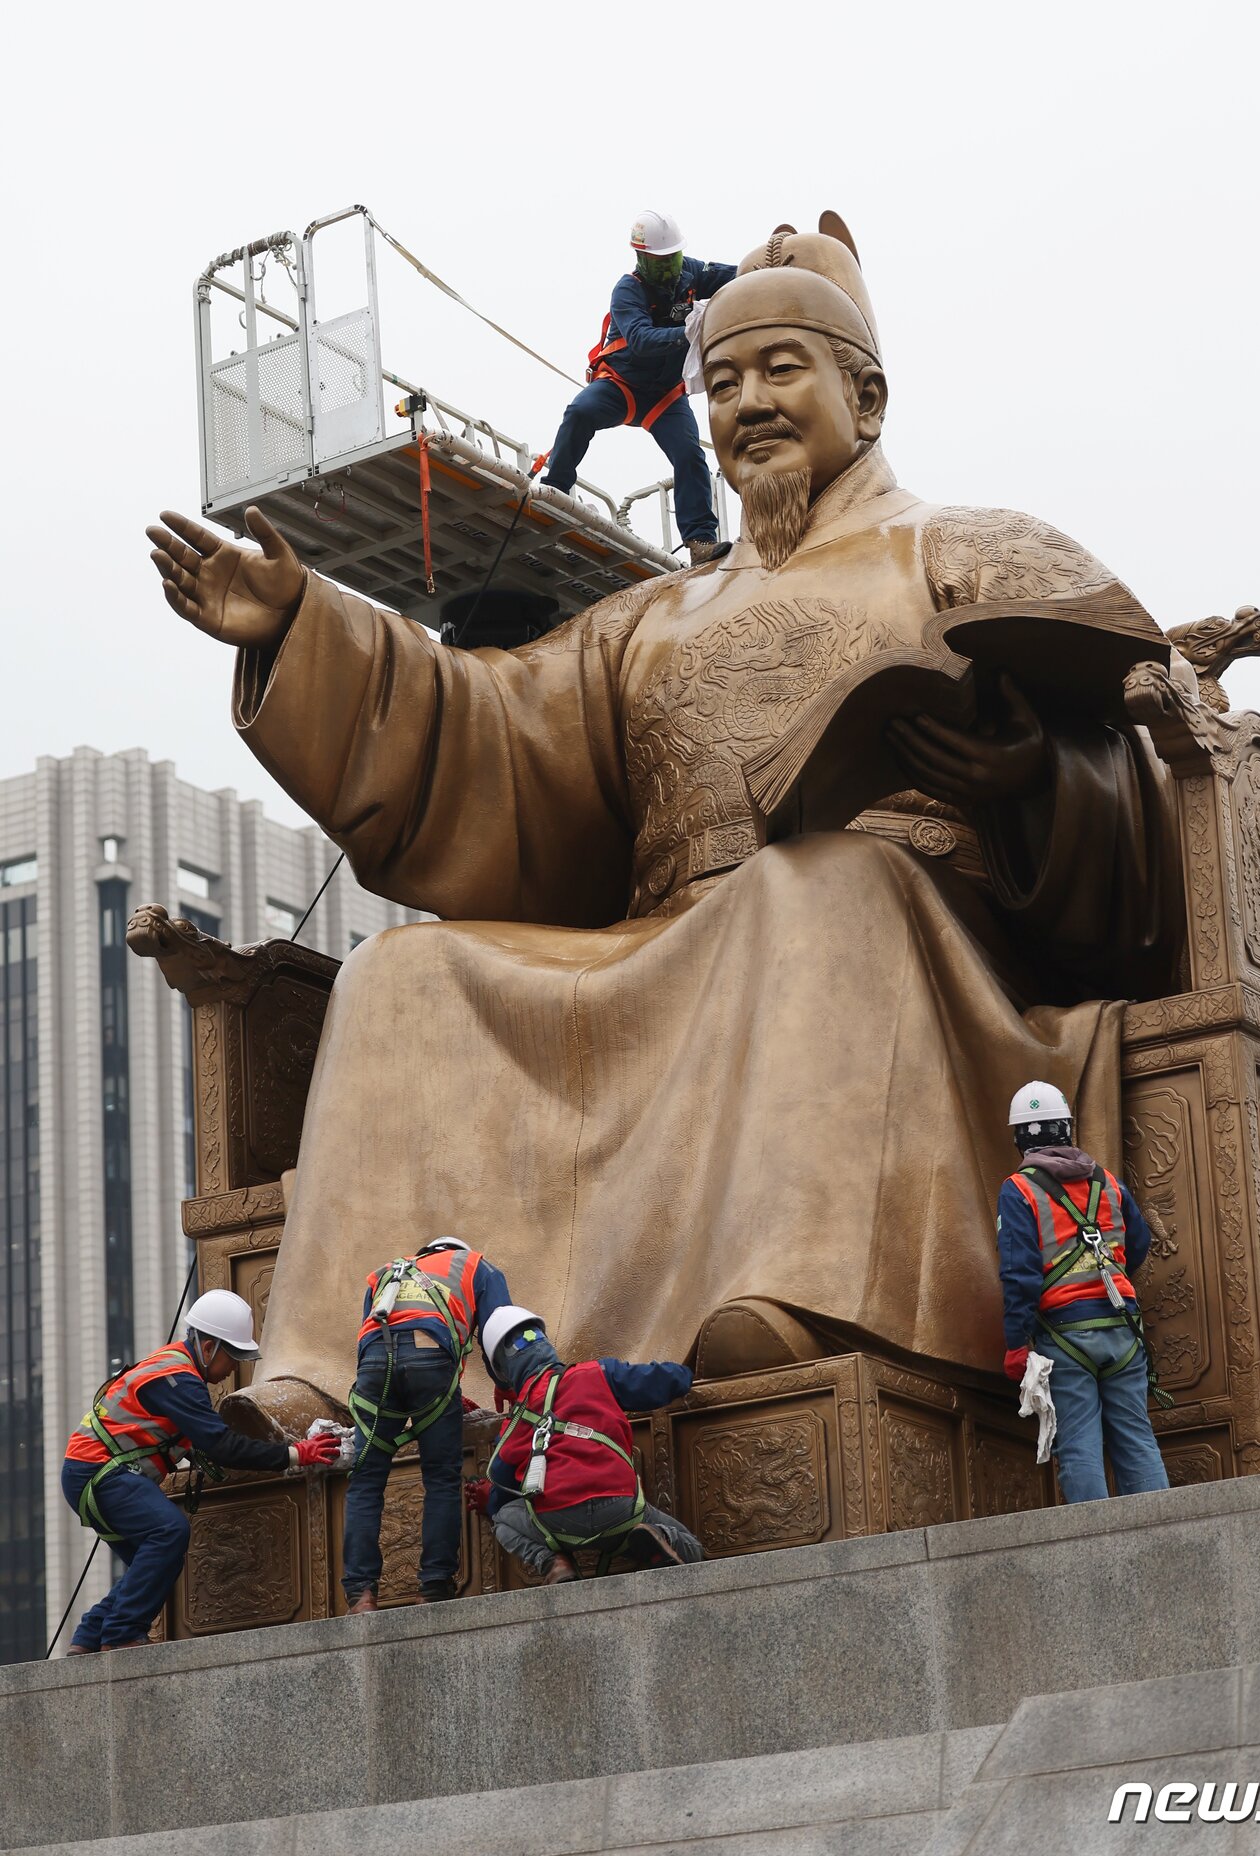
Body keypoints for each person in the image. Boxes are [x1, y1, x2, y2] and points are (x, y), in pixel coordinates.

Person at [145, 214, 1181, 1438]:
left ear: (868, 392)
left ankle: (796, 1297)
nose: (745, 403)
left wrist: (1034, 777)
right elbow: (491, 728)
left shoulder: (968, 550)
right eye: (720, 380)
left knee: (817, 885)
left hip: (922, 946)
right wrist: (303, 628)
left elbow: (1155, 758)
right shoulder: (655, 615)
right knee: (402, 974)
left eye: (780, 369)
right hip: (670, 940)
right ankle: (338, 1369)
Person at [61, 1290, 338, 1651]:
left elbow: (192, 1441)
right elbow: (221, 1445)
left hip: (92, 1472)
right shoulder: (177, 1377)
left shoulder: (172, 1370)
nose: (236, 1367)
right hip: (101, 1471)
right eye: (233, 1355)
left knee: (155, 1564)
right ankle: (122, 1634)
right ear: (208, 1347)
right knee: (168, 1531)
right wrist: (296, 1453)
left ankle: (89, 1636)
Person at [996, 1081, 1171, 1503]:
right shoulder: (1107, 1182)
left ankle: (1098, 1554)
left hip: (1065, 1335)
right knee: (1136, 1440)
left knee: (1078, 1446)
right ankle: (1165, 1534)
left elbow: (1019, 1273)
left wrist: (1017, 1344)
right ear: (1067, 1127)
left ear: (1019, 1136)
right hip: (1123, 1331)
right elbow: (1140, 1242)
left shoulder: (1018, 1190)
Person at [541, 209, 734, 566]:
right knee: (579, 412)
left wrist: (781, 264)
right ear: (641, 259)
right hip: (622, 385)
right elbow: (642, 340)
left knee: (690, 455)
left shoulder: (690, 272)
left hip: (665, 396)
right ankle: (555, 491)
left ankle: (701, 541)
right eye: (659, 263)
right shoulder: (628, 291)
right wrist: (687, 333)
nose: (669, 270)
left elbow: (739, 277)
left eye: (672, 260)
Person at [342, 1237, 513, 1613]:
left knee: (367, 1481)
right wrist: (506, 1385)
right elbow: (502, 1332)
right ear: (456, 1250)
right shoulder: (474, 1266)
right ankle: (434, 1587)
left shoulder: (385, 1273)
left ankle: (361, 1596)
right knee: (440, 1477)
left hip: (373, 1366)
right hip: (431, 1361)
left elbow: (370, 1336)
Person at [481, 1305, 702, 1584]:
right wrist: (684, 1375)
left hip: (557, 1522)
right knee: (691, 1548)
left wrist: (489, 1502)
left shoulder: (514, 1422)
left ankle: (555, 1563)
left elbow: (498, 1493)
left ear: (502, 1369)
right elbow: (661, 1382)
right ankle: (656, 1539)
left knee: (503, 1519)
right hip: (621, 1509)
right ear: (545, 1342)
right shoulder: (597, 1373)